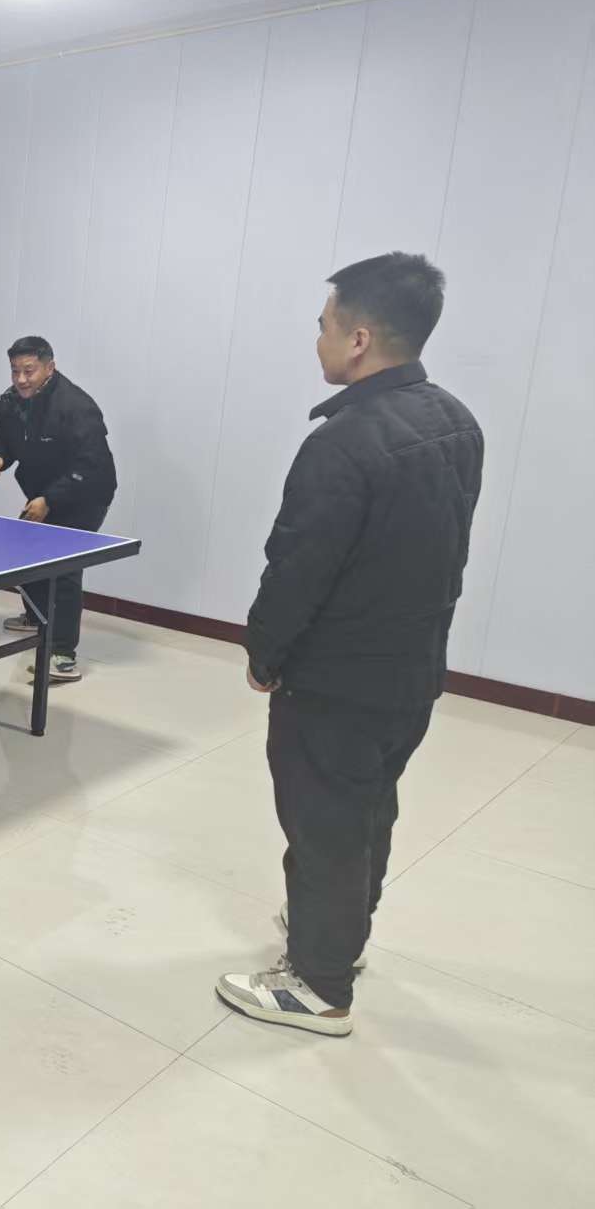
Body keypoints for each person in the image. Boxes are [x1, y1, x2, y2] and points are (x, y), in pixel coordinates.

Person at [217, 253, 482, 1037]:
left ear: (359, 338)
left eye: (325, 325)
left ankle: (318, 985)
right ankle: (339, 935)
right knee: (368, 809)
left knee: (324, 824)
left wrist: (264, 654)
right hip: (412, 672)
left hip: (336, 683)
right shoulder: (457, 421)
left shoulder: (343, 443)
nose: (320, 338)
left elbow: (298, 567)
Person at [0, 335, 117, 682]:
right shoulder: (11, 400)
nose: (21, 379)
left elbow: (91, 465)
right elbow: (6, 440)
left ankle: (63, 655)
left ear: (49, 368)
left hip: (86, 494)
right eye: (15, 371)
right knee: (22, 553)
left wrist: (50, 500)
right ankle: (37, 618)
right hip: (43, 491)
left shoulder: (77, 406)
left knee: (64, 569)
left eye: (29, 370)